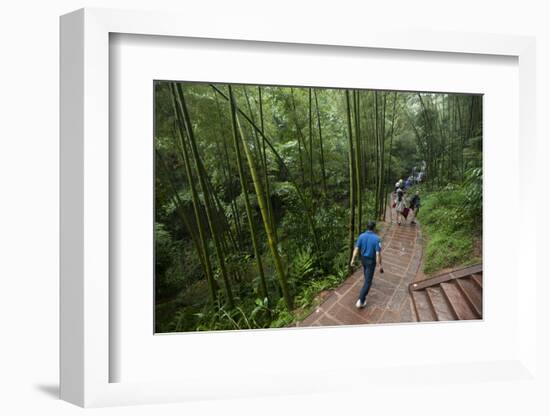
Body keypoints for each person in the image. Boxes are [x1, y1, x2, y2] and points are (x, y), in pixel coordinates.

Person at [350, 220, 383, 309]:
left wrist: (352, 259)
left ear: (367, 227)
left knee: (366, 273)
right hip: (371, 261)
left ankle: (366, 281)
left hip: (363, 259)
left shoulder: (361, 236)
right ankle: (361, 300)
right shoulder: (377, 239)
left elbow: (356, 248)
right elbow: (377, 254)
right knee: (368, 282)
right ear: (374, 228)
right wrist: (380, 265)